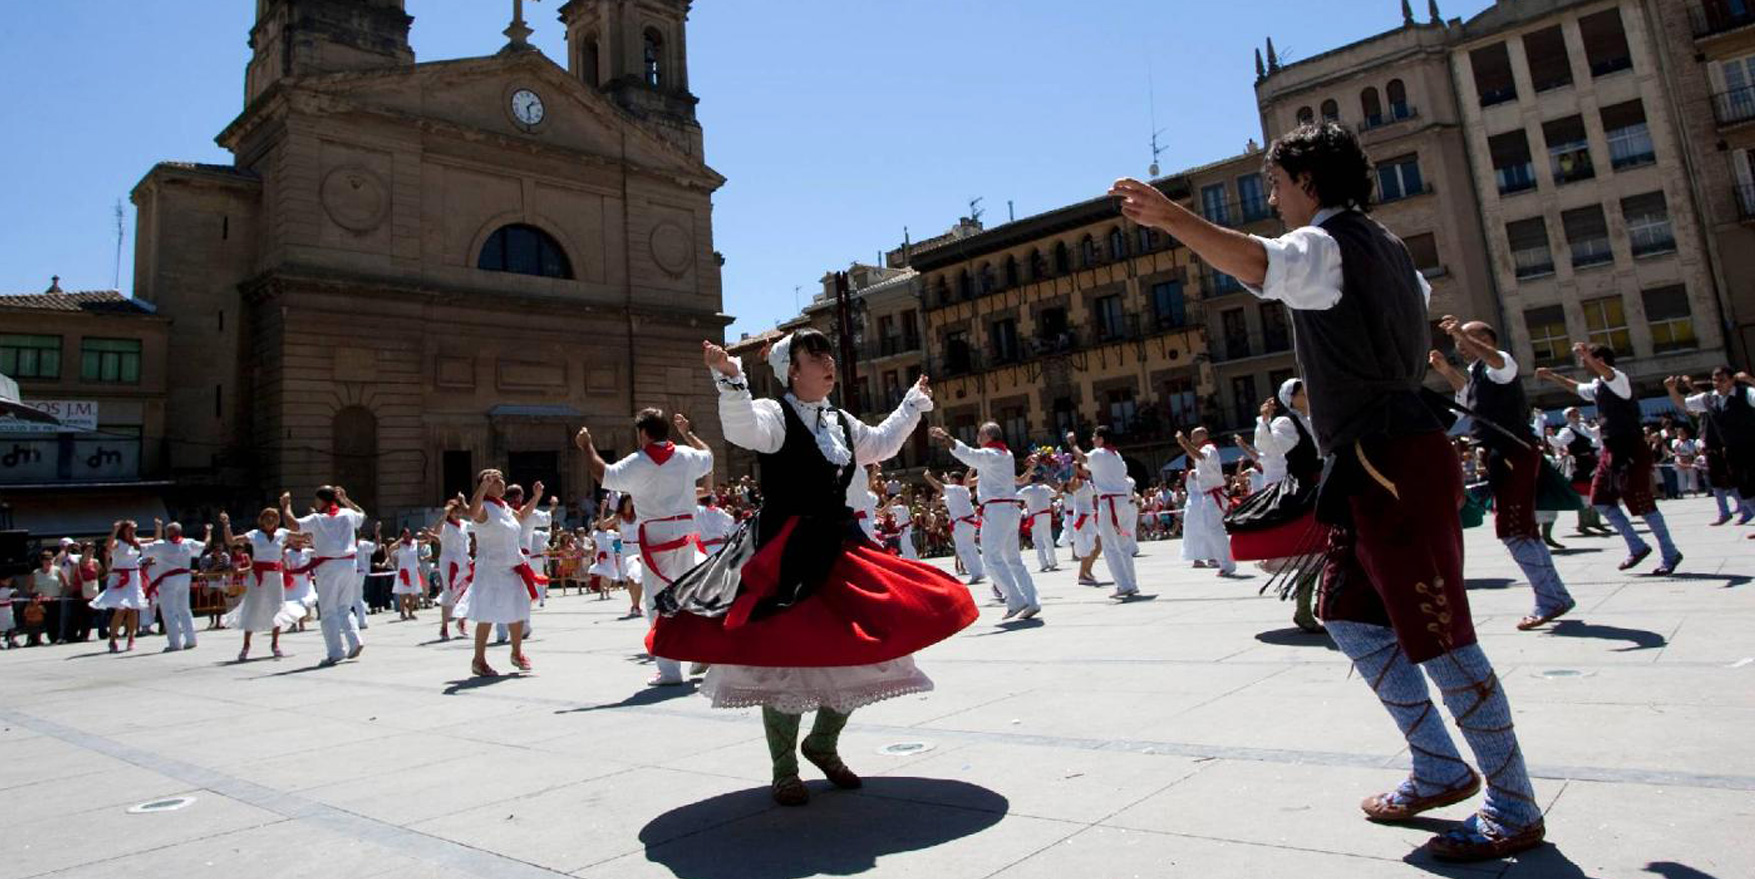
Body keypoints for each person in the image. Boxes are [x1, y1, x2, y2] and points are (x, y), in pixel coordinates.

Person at [1109, 121, 1545, 860]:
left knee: (1439, 634)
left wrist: (1171, 217)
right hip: (1379, 455)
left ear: (1307, 181)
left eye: (1274, 184)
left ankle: (1513, 803)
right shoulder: (1389, 246)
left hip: (1389, 458)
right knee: (1349, 614)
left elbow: (1257, 261)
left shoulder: (1325, 241)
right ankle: (1438, 763)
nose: (1271, 198)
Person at [647, 331, 975, 806]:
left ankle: (822, 743)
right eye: (815, 356)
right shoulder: (774, 415)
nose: (828, 363)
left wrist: (910, 405)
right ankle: (784, 769)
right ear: (792, 371)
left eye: (829, 355)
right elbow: (742, 430)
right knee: (786, 656)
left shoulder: (838, 421)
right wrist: (731, 379)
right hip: (786, 550)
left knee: (863, 645)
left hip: (839, 544)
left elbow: (880, 445)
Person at [1429, 318, 1576, 631]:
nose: (1459, 346)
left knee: (1512, 528)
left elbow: (1496, 361)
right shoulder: (1480, 373)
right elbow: (1467, 393)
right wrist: (1445, 372)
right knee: (1523, 529)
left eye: (1465, 339)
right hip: (1503, 455)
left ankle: (1551, 598)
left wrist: (1460, 334)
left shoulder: (1502, 362)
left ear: (1485, 338)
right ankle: (1554, 594)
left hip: (1512, 453)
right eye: (1457, 341)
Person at [576, 410, 713, 686]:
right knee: (689, 595)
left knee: (658, 601)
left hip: (656, 537)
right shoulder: (686, 455)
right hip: (686, 535)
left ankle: (670, 670)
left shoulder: (638, 462)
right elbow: (708, 456)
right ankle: (701, 650)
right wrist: (687, 433)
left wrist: (588, 446)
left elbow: (603, 474)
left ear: (644, 433)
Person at [1536, 344, 1683, 575]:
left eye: (1587, 359)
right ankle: (1636, 545)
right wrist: (1552, 376)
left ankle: (1669, 551)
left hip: (1630, 448)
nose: (1583, 363)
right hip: (1610, 449)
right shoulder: (1597, 386)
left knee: (1642, 503)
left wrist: (1587, 355)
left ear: (1601, 359)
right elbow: (1576, 388)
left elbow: (1608, 373)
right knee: (1600, 499)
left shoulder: (1618, 379)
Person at [1224, 379, 1324, 632]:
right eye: (1303, 393)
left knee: (1332, 550)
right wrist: (1264, 423)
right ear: (1291, 399)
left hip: (1325, 486)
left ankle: (1323, 603)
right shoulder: (1286, 422)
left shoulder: (1316, 418)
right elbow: (1269, 450)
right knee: (1314, 552)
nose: (1308, 395)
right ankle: (1305, 610)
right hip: (1305, 490)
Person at [932, 423, 1041, 620]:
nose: (977, 438)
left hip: (996, 511)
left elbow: (967, 453)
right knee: (1014, 560)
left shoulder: (990, 455)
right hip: (1009, 509)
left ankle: (1015, 600)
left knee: (991, 558)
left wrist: (945, 437)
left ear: (989, 436)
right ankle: (1032, 601)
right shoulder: (1006, 455)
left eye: (980, 434)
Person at [453, 470, 537, 676]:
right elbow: (472, 512)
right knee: (487, 613)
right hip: (490, 569)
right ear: (486, 485)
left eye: (501, 480)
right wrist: (482, 487)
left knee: (517, 609)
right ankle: (478, 660)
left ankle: (516, 653)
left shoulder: (504, 507)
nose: (501, 484)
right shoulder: (484, 509)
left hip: (512, 566)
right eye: (495, 481)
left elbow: (523, 515)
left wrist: (536, 496)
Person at [280, 486, 369, 666]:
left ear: (322, 501)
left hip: (329, 566)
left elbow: (293, 524)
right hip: (348, 563)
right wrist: (345, 499)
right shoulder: (348, 514)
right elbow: (363, 515)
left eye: (317, 500)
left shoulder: (317, 518)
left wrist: (286, 506)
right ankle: (355, 640)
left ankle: (336, 652)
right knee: (344, 607)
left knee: (328, 610)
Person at [1666, 368, 1755, 525]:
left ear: (1732, 380)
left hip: (1751, 446)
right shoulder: (1708, 398)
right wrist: (1672, 389)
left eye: (1722, 380)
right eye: (1715, 380)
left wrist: (1751, 381)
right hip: (1732, 450)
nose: (1717, 384)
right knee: (1744, 487)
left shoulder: (1745, 393)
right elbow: (1684, 404)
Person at [220, 509, 306, 661]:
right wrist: (226, 525)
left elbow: (304, 536)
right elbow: (232, 541)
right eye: (267, 517)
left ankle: (275, 644)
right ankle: (246, 646)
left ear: (278, 520)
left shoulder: (282, 533)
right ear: (261, 520)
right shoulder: (254, 534)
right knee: (252, 607)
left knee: (277, 608)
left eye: (273, 517)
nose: (270, 520)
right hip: (258, 576)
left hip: (276, 576)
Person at [1066, 428, 1140, 598]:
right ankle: (1131, 583)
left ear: (1101, 439)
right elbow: (1090, 466)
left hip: (1110, 503)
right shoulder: (1117, 456)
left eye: (1094, 437)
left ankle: (1123, 585)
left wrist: (1072, 443)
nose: (1092, 440)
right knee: (1123, 545)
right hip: (1122, 502)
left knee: (1110, 546)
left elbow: (1082, 457)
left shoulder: (1100, 453)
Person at [1174, 427, 1238, 576]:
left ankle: (1226, 563)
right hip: (1210, 495)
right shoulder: (1206, 450)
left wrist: (1184, 442)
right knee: (1212, 530)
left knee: (1214, 530)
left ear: (1202, 436)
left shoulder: (1208, 448)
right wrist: (1185, 445)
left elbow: (1200, 456)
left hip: (1213, 494)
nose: (1192, 440)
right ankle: (1225, 561)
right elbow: (1197, 456)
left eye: (1193, 437)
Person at [142, 520, 211, 651]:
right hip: (184, 578)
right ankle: (191, 640)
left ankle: (175, 643)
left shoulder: (162, 545)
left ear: (169, 532)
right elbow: (206, 544)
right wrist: (208, 531)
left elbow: (146, 547)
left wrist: (157, 529)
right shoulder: (188, 543)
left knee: (169, 612)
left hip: (169, 580)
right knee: (184, 610)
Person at [89, 520, 150, 653]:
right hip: (119, 577)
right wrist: (115, 530)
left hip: (133, 577)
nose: (133, 532)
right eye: (130, 529)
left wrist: (158, 527)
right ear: (124, 530)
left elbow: (155, 540)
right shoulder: (118, 542)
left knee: (133, 608)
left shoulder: (136, 542)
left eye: (135, 529)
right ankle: (112, 639)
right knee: (120, 609)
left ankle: (131, 637)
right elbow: (108, 546)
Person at [924, 469, 985, 585]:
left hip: (962, 524)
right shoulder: (963, 490)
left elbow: (940, 486)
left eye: (951, 479)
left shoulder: (954, 489)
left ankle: (975, 573)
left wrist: (928, 477)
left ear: (955, 480)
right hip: (968, 523)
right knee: (971, 547)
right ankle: (979, 571)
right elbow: (943, 499)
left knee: (963, 549)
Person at [434, 500, 471, 640]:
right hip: (449, 563)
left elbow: (478, 525)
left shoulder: (463, 525)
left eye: (459, 511)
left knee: (464, 593)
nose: (458, 514)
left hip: (464, 562)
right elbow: (436, 531)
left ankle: (461, 621)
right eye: (454, 511)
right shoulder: (446, 525)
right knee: (449, 593)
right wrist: (444, 514)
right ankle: (444, 627)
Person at [1064, 463, 1103, 586]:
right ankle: (1082, 574)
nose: (1088, 470)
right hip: (1082, 516)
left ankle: (1087, 571)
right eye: (1085, 468)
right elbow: (1071, 488)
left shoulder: (1087, 482)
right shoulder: (1077, 481)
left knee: (1097, 545)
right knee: (1089, 545)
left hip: (1089, 515)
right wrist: (1075, 472)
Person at [1018, 475, 1059, 573]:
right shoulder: (1045, 487)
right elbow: (1054, 494)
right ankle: (1053, 561)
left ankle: (1043, 563)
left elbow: (1016, 496)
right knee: (1048, 538)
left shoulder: (1027, 489)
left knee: (1037, 539)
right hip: (1046, 514)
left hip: (1036, 515)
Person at [388, 528, 424, 621]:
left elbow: (425, 542)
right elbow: (390, 548)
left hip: (413, 571)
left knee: (412, 594)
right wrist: (400, 540)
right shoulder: (400, 544)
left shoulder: (414, 543)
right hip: (403, 571)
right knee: (403, 594)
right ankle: (402, 613)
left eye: (408, 534)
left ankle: (411, 613)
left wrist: (428, 534)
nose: (407, 536)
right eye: (405, 534)